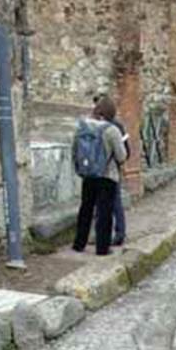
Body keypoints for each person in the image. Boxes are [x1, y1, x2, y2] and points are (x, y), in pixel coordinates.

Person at [72, 95, 127, 256]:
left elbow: (75, 149)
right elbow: (121, 156)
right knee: (104, 212)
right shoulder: (112, 130)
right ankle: (102, 248)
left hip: (88, 174)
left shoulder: (82, 126)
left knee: (85, 209)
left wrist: (79, 167)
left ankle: (79, 243)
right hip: (107, 175)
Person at [93, 93, 130, 246]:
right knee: (115, 203)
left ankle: (99, 235)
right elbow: (123, 154)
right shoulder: (116, 127)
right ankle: (118, 234)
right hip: (110, 172)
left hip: (93, 172)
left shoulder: (90, 126)